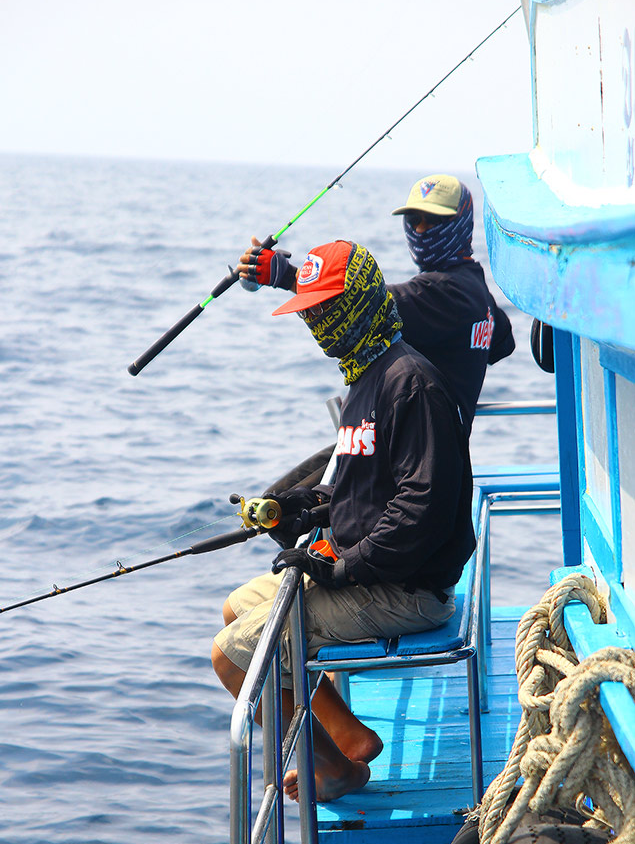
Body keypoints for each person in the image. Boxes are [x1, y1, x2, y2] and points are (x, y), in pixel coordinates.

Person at [212, 240, 475, 803]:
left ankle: (335, 769)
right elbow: (353, 490)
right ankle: (346, 733)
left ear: (356, 304)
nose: (313, 321)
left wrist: (342, 567)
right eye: (308, 310)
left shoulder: (411, 385)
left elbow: (419, 511)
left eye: (323, 308)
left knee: (231, 655)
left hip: (405, 589)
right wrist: (297, 510)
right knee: (236, 606)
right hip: (369, 571)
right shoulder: (367, 375)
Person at [237, 173, 515, 433]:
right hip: (400, 434)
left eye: (433, 221)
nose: (420, 229)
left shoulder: (447, 292)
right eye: (415, 219)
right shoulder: (476, 290)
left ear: (461, 224)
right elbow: (503, 344)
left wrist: (287, 276)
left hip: (409, 444)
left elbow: (359, 300)